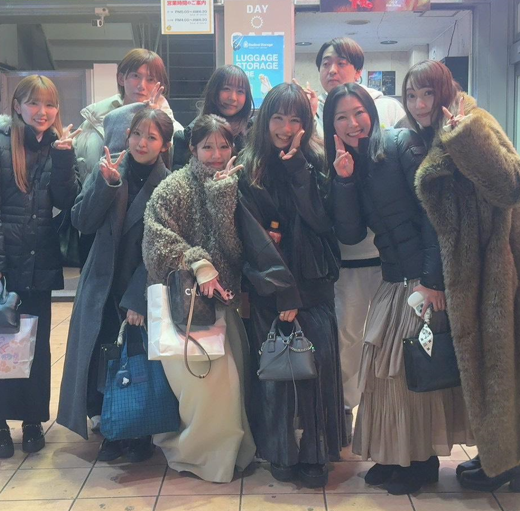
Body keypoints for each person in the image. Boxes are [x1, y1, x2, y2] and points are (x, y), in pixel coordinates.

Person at [405, 59, 520, 492]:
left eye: (427, 93)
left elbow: (514, 184)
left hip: (510, 254)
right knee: (497, 357)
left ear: (445, 91)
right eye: (411, 95)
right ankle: (500, 455)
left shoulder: (472, 122)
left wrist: (465, 137)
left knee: (506, 358)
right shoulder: (438, 130)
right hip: (486, 256)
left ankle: (508, 464)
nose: (419, 104)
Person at [327, 82, 474, 495]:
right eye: (341, 117)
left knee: (409, 373)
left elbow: (434, 214)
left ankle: (421, 461)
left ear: (372, 112)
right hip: (393, 278)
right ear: (331, 126)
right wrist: (343, 181)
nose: (353, 123)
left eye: (359, 112)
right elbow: (351, 232)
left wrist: (432, 281)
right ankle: (395, 456)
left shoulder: (400, 145)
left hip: (420, 280)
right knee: (381, 372)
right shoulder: (349, 163)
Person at [0, 75, 80, 458]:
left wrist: (65, 157)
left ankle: (31, 420)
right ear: (17, 106)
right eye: (34, 103)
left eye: (50, 104)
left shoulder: (57, 147)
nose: (42, 112)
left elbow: (67, 200)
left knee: (34, 348)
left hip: (37, 265)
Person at [237, 83, 343, 488]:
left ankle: (316, 454)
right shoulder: (248, 167)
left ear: (306, 123)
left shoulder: (316, 160)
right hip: (270, 285)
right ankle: (280, 451)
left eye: (294, 119)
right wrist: (283, 292)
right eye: (278, 118)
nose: (285, 128)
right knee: (276, 375)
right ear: (265, 120)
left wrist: (299, 167)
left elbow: (322, 220)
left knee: (317, 370)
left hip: (315, 282)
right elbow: (252, 238)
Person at [142, 114, 256, 483]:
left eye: (223, 146)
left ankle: (233, 455)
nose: (216, 154)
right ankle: (201, 457)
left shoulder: (238, 184)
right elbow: (155, 241)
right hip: (187, 307)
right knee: (205, 390)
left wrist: (223, 197)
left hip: (227, 305)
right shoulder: (173, 188)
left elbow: (237, 250)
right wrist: (198, 262)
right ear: (192, 148)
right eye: (207, 146)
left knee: (232, 389)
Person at [57, 108, 173, 462]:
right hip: (101, 281)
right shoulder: (109, 169)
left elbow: (164, 248)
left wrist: (138, 297)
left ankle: (140, 432)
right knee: (104, 355)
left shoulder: (169, 184)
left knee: (140, 358)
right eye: (137, 134)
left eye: (151, 137)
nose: (142, 143)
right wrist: (104, 185)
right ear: (127, 136)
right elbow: (81, 221)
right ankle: (111, 427)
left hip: (140, 284)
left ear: (164, 145)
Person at [313, 37, 407, 432]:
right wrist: (344, 179)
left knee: (388, 341)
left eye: (340, 62)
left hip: (392, 264)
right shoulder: (319, 133)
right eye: (325, 63)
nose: (332, 70)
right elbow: (346, 228)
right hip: (347, 263)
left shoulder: (392, 129)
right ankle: (347, 412)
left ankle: (387, 423)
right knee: (348, 340)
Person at [73, 48, 179, 266]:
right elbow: (83, 170)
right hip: (98, 224)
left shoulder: (172, 129)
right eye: (135, 76)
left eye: (151, 79)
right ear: (122, 78)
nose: (142, 85)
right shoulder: (93, 120)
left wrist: (149, 117)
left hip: (141, 232)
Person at [172, 65, 254, 170]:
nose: (233, 98)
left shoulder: (254, 134)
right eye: (226, 89)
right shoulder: (188, 136)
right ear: (214, 91)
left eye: (240, 91)